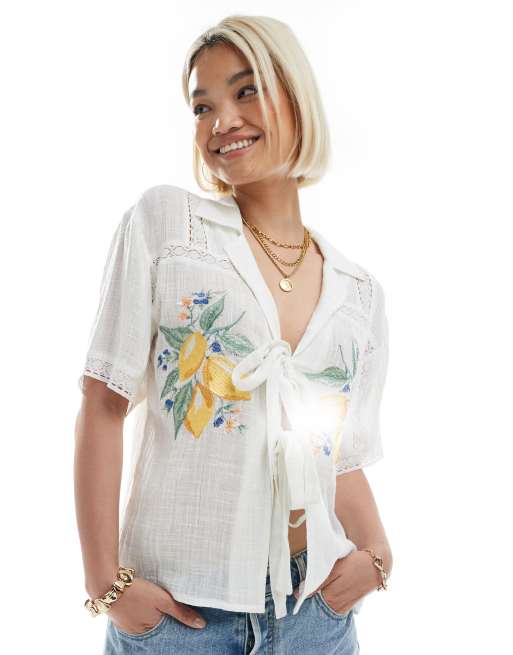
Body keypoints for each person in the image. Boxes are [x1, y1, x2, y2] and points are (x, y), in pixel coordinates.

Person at [75, 14, 393, 655]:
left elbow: (340, 459)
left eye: (246, 91)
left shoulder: (359, 294)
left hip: (316, 616)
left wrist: (379, 553)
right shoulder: (170, 226)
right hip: (178, 618)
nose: (221, 121)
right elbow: (104, 402)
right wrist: (104, 582)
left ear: (296, 97)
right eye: (202, 106)